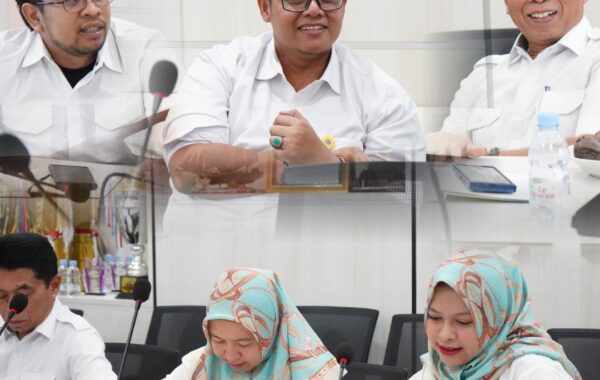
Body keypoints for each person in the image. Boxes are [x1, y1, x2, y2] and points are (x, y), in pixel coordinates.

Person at [163, 0, 424, 194]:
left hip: (331, 251)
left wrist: (322, 163)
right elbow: (186, 170)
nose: (315, 9)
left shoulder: (385, 96)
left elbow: (404, 207)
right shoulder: (220, 67)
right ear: (265, 7)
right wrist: (322, 168)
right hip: (215, 249)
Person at [390, 249, 587, 380]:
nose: (445, 335)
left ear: (498, 322)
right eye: (434, 317)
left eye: (463, 321)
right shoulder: (439, 372)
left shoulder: (536, 375)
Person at [0, 0, 174, 163]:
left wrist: (172, 158)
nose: (93, 9)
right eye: (72, 1)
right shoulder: (4, 60)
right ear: (34, 16)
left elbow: (174, 136)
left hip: (125, 185)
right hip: (32, 185)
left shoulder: (144, 48)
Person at [133, 268, 342, 380]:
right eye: (218, 341)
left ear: (271, 332)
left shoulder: (312, 378)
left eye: (243, 344)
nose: (231, 355)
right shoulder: (203, 364)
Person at [426, 0, 600, 158]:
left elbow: (589, 151)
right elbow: (446, 154)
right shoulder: (484, 73)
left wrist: (488, 156)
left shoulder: (595, 57)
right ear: (506, 4)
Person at [0, 232, 123, 380]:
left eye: (22, 296)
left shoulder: (78, 337)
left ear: (54, 286)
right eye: (1, 296)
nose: (10, 308)